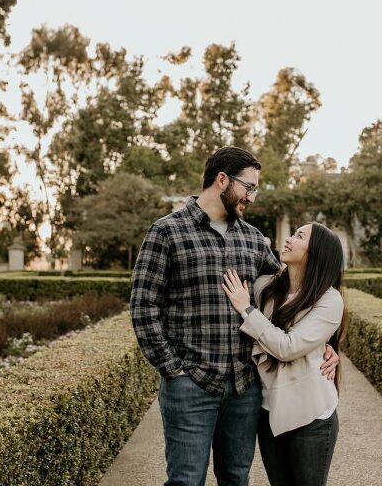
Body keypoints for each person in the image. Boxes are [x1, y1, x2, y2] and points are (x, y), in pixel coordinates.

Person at [130, 146, 340, 486]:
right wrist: (173, 369)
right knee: (186, 481)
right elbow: (143, 307)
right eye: (249, 187)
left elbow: (297, 293)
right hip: (190, 386)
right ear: (222, 179)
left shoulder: (253, 240)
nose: (252, 198)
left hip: (245, 389)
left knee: (235, 479)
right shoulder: (167, 232)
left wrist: (327, 342)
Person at [221, 222, 345, 486]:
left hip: (311, 418)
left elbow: (288, 347)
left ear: (315, 252)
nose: (288, 239)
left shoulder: (329, 300)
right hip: (269, 415)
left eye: (299, 236)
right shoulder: (266, 287)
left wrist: (247, 310)